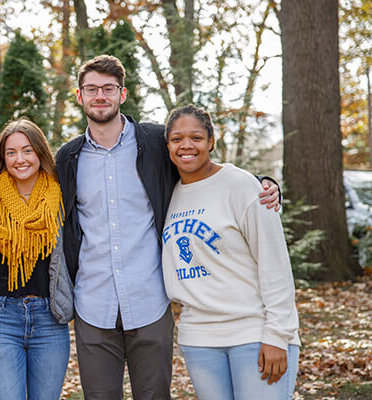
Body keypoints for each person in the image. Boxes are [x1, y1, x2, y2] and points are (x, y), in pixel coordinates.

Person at [55, 55, 282, 400]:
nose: (100, 95)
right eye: (91, 89)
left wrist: (263, 184)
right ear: (79, 95)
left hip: (150, 300)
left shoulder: (157, 143)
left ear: (123, 94)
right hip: (92, 304)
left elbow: (203, 166)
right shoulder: (68, 157)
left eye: (108, 88)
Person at [161, 104, 300, 399]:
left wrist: (277, 335)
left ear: (212, 141)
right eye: (176, 139)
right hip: (198, 337)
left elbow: (275, 264)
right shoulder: (168, 194)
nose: (186, 145)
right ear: (168, 145)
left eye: (196, 138)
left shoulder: (241, 186)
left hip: (253, 332)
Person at [0, 118, 74, 400]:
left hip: (50, 318)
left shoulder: (60, 196)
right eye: (11, 152)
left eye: (28, 150)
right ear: (2, 157)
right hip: (2, 317)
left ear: (41, 152)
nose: (20, 159)